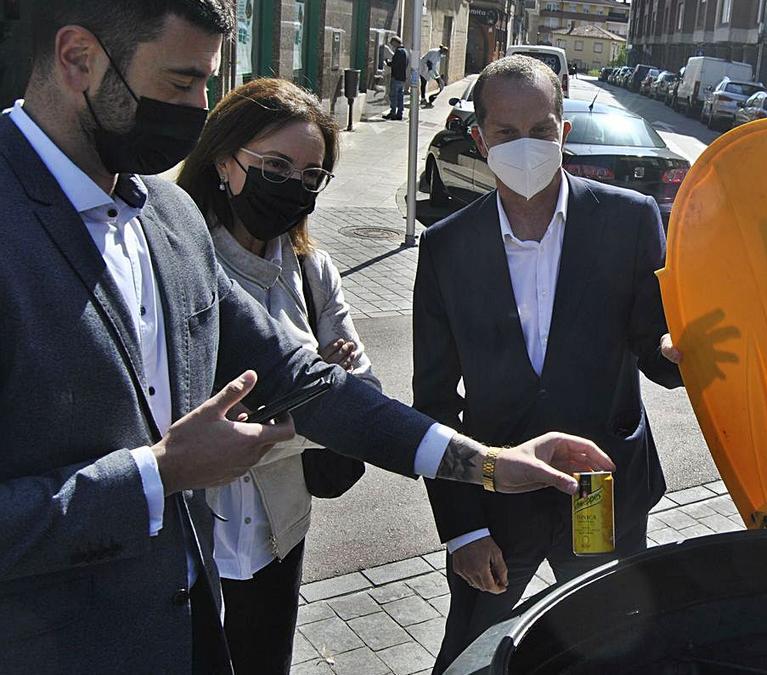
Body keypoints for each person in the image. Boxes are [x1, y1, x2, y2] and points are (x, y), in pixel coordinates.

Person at [0, 3, 612, 672]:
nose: (201, 110)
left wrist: (492, 462)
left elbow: (312, 382)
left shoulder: (167, 217)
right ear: (76, 57)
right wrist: (160, 472)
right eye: (180, 84)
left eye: (208, 82)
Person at [412, 55, 684, 673]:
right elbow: (432, 400)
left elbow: (654, 348)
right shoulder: (447, 246)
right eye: (507, 133)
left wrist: (676, 353)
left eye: (541, 129)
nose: (526, 145)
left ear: (563, 130)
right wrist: (461, 529)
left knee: (611, 648)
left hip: (600, 488)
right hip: (497, 494)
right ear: (480, 140)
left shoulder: (630, 220)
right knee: (471, 656)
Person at [175, 77, 379, 673]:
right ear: (223, 160)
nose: (293, 186)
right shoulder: (175, 261)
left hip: (276, 537)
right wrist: (315, 393)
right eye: (274, 165)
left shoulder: (313, 272)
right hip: (187, 543)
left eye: (310, 175)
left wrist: (259, 427)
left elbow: (362, 399)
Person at [385, 35, 408, 120]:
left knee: (393, 96)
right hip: (402, 78)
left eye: (392, 44)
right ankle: (399, 113)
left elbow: (394, 64)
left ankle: (393, 113)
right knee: (400, 96)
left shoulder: (398, 52)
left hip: (396, 77)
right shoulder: (405, 51)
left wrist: (388, 62)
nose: (392, 46)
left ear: (395, 42)